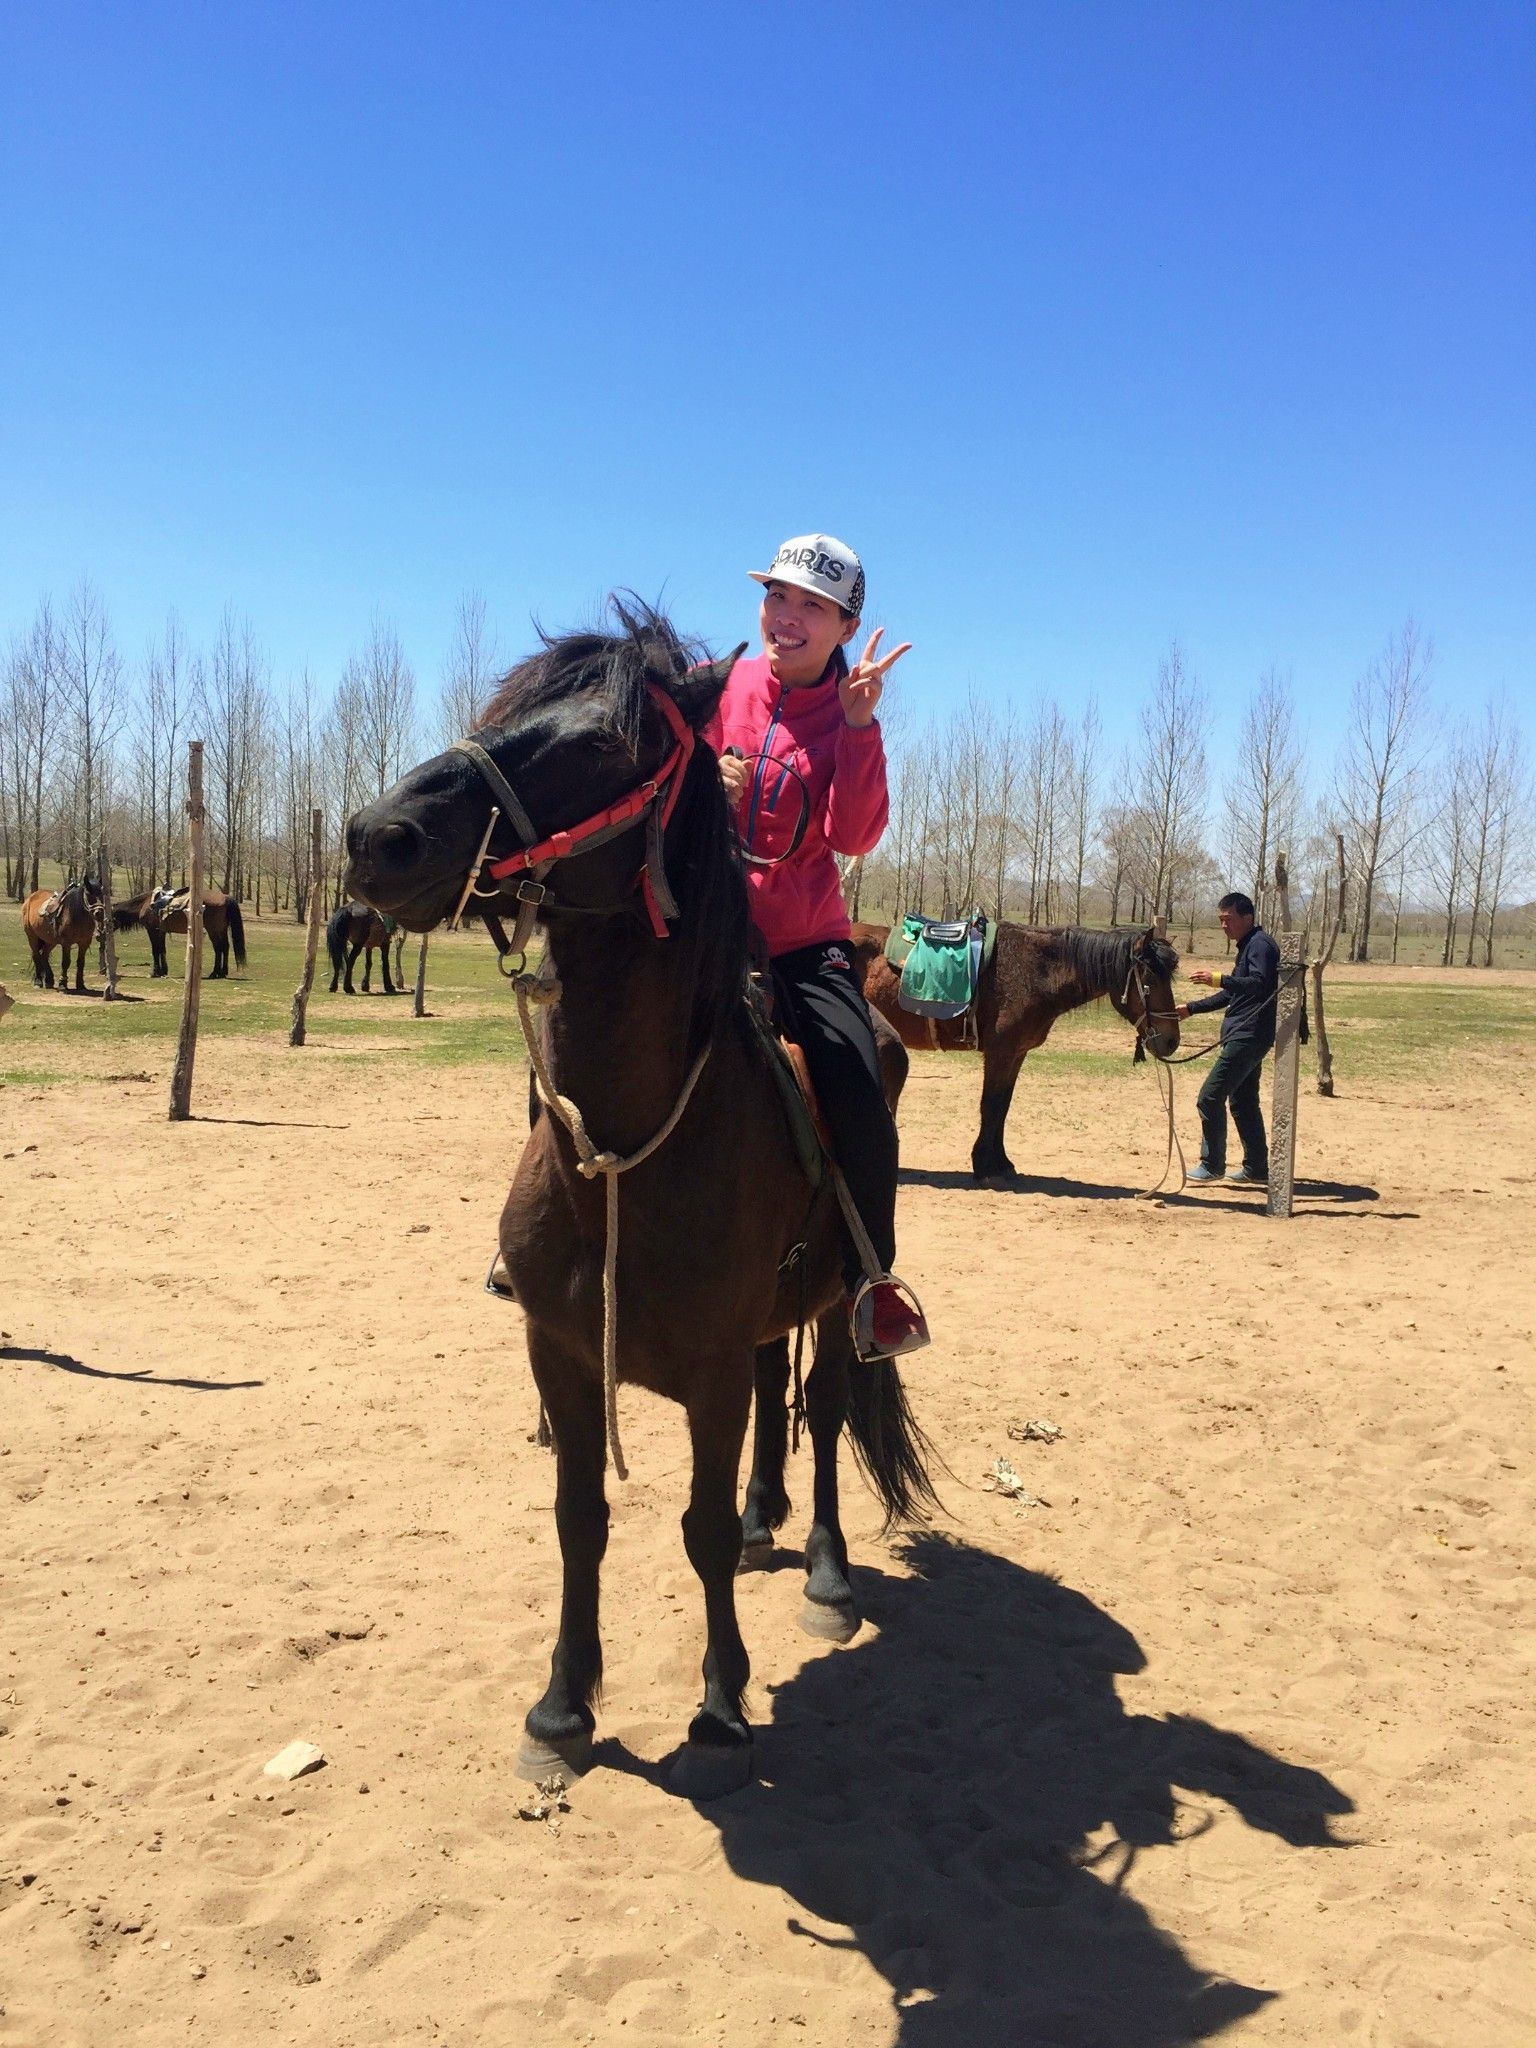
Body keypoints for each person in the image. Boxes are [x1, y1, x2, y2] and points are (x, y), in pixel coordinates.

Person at [709, 532, 930, 1360]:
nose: (787, 616)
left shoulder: (848, 714)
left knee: (855, 1069)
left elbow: (855, 835)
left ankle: (872, 1281)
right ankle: (547, 1238)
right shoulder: (724, 687)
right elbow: (662, 791)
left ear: (845, 627)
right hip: (711, 932)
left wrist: (859, 728)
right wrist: (705, 783)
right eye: (778, 596)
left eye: (812, 606)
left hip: (805, 945)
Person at [1176, 891, 1281, 1186]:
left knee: (1210, 1096)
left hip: (1248, 1036)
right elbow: (1234, 992)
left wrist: (1220, 977)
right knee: (1243, 1101)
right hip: (1244, 1034)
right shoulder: (1248, 945)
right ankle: (1257, 1168)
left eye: (1228, 919)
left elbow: (1259, 985)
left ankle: (1212, 1165)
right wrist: (1191, 1009)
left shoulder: (1260, 945)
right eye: (1221, 920)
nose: (1224, 926)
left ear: (1247, 917)